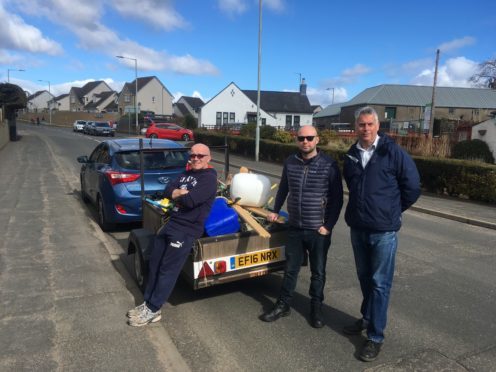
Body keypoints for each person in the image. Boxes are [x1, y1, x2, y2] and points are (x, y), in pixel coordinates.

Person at [342, 106, 421, 362]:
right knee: (365, 278)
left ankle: (375, 337)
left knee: (379, 283)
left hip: (383, 231)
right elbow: (352, 186)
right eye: (361, 125)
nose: (365, 128)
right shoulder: (352, 155)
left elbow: (413, 187)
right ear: (357, 127)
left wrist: (392, 210)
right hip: (358, 228)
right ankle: (367, 318)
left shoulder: (392, 152)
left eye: (369, 124)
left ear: (377, 126)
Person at [260, 125, 343, 328]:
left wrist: (328, 226)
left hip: (318, 230)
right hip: (295, 227)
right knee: (290, 269)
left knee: (318, 272)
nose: (305, 141)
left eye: (309, 138)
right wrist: (275, 210)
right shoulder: (290, 162)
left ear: (317, 140)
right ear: (296, 140)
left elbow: (337, 199)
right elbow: (283, 189)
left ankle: (316, 308)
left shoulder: (329, 165)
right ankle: (284, 304)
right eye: (301, 138)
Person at [127, 143, 217, 327]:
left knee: (168, 269)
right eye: (193, 155)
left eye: (200, 155)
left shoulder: (209, 178)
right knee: (155, 263)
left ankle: (153, 309)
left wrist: (179, 194)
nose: (196, 158)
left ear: (209, 158)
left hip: (186, 229)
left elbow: (191, 200)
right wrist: (178, 192)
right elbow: (168, 190)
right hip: (172, 223)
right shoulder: (186, 174)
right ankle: (148, 304)